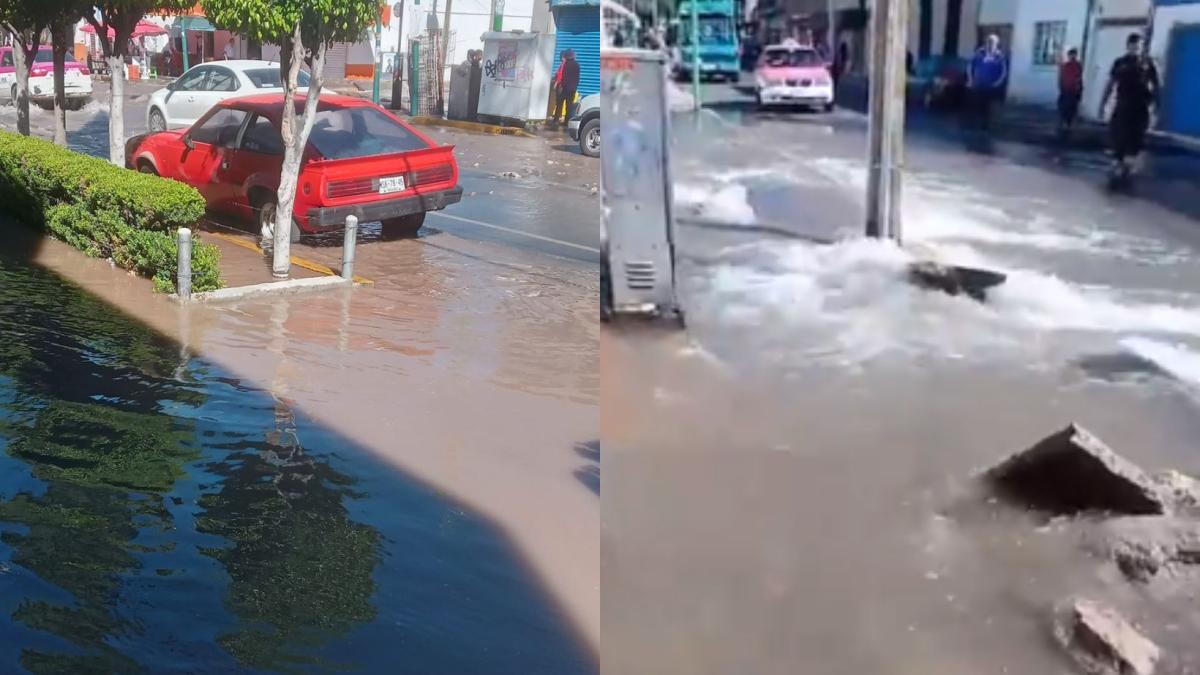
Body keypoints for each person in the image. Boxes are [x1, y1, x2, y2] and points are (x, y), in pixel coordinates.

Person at [1100, 32, 1160, 182]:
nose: (1136, 49)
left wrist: (1157, 106)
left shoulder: (1147, 64)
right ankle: (1118, 164)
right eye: (1133, 45)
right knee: (1118, 136)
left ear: (1142, 47)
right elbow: (1111, 83)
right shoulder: (1120, 63)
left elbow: (1156, 86)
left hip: (1140, 108)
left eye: (1138, 46)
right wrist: (1103, 102)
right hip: (1123, 105)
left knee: (1136, 139)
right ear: (1128, 46)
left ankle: (1127, 167)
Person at [966, 34, 1008, 132]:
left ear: (996, 44)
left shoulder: (999, 56)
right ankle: (974, 124)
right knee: (977, 105)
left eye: (993, 42)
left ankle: (985, 125)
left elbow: (1003, 72)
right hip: (979, 84)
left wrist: (997, 83)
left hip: (992, 86)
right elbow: (970, 66)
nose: (990, 44)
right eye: (989, 42)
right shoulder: (980, 53)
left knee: (988, 107)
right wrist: (971, 80)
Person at [1057, 47, 1083, 139]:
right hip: (1066, 90)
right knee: (1064, 109)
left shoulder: (1077, 66)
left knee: (1070, 110)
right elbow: (1061, 77)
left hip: (1072, 91)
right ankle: (1063, 126)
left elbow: (1079, 79)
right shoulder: (1066, 66)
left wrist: (1079, 90)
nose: (1072, 56)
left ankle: (1067, 127)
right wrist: (1061, 87)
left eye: (1073, 54)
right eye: (1071, 55)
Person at [553, 49, 580, 126]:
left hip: (564, 88)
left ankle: (556, 121)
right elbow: (577, 77)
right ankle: (566, 122)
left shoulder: (565, 64)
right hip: (572, 89)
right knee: (569, 106)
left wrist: (560, 85)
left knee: (559, 104)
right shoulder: (577, 64)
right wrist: (575, 86)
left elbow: (561, 75)